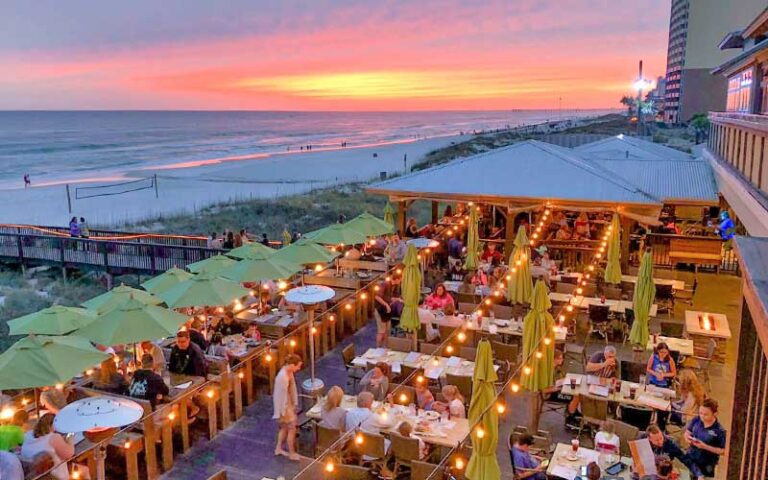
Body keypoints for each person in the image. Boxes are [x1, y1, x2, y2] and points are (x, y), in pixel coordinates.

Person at [20, 413, 74, 480]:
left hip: (33, 474)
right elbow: (68, 454)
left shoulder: (27, 435)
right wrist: (70, 438)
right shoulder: (53, 437)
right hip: (52, 476)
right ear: (53, 424)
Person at [684, 398, 726, 478]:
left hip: (707, 465)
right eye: (700, 413)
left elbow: (723, 451)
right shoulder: (697, 419)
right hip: (692, 459)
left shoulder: (719, 431)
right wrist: (688, 438)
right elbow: (687, 431)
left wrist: (705, 446)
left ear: (715, 414)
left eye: (705, 414)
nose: (702, 416)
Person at [273, 354, 302, 461]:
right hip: (284, 407)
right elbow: (280, 396)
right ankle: (291, 453)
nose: (298, 369)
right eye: (297, 366)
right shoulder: (282, 377)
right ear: (291, 365)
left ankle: (278, 448)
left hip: (287, 405)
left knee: (284, 428)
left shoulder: (288, 373)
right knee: (292, 428)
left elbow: (291, 390)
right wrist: (285, 412)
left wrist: (293, 404)